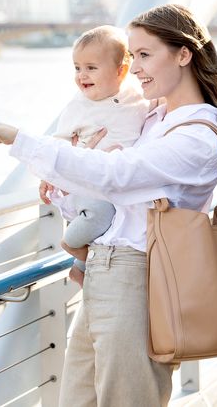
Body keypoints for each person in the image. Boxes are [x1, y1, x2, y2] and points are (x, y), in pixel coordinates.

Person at [0, 3, 217, 407]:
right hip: (105, 270)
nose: (133, 68)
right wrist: (63, 186)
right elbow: (103, 190)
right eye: (132, 55)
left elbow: (113, 175)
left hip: (137, 277)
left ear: (184, 55)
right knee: (76, 399)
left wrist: (16, 138)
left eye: (144, 55)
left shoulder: (196, 136)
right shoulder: (150, 119)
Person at [42, 25, 148, 275]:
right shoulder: (78, 107)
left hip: (118, 184)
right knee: (100, 213)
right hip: (90, 187)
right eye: (77, 68)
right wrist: (48, 176)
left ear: (121, 72)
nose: (82, 75)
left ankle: (79, 269)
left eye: (91, 68)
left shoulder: (137, 97)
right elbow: (57, 143)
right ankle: (71, 244)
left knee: (113, 224)